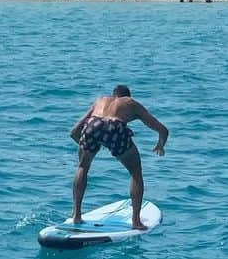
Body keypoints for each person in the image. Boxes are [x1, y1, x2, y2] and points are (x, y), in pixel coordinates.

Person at [68, 85, 168, 229]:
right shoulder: (130, 103)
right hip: (115, 127)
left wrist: (92, 145)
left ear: (113, 95)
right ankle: (136, 222)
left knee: (83, 167)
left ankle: (76, 215)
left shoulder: (100, 100)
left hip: (92, 125)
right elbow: (163, 130)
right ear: (127, 96)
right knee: (135, 172)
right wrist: (160, 145)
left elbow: (74, 132)